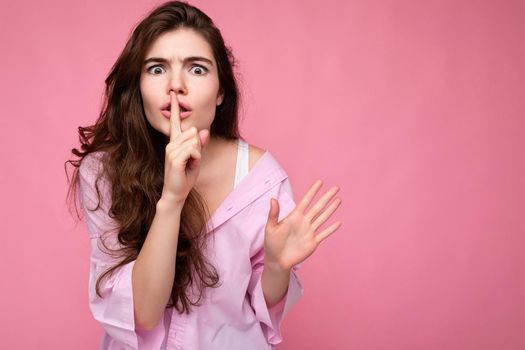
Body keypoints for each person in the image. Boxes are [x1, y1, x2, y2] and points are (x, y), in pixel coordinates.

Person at [65, 1, 342, 349]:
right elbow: (143, 313)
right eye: (156, 69)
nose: (176, 85)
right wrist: (172, 199)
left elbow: (264, 308)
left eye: (197, 69)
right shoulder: (103, 172)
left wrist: (276, 266)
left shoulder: (263, 179)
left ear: (221, 91)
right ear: (137, 85)